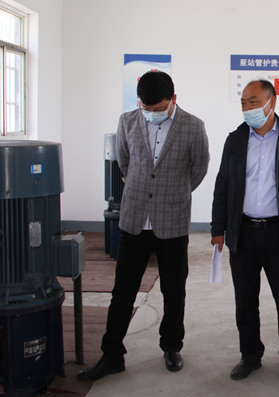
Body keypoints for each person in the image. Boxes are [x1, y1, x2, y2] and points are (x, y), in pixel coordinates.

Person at [78, 71, 210, 381]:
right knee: (122, 291)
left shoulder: (193, 125)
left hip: (172, 222)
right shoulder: (127, 121)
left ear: (173, 99)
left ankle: (171, 346)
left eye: (158, 108)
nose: (151, 114)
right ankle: (112, 355)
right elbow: (125, 162)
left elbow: (199, 168)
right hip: (134, 220)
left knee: (173, 292)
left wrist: (173, 193)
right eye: (146, 108)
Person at [211, 80, 279, 381]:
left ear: (272, 102)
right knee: (245, 300)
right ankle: (250, 356)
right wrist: (218, 228)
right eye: (243, 103)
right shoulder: (235, 140)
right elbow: (223, 185)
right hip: (242, 232)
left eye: (254, 102)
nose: (248, 109)